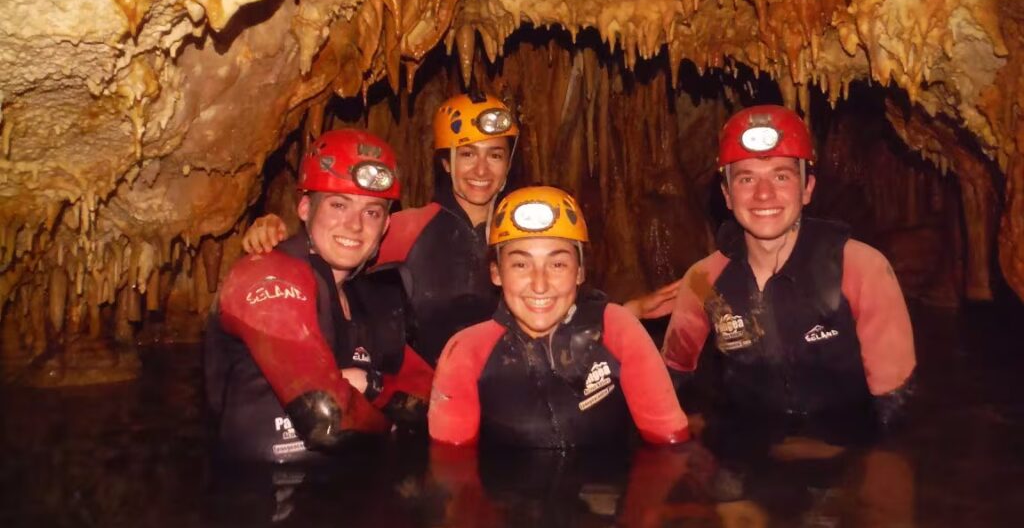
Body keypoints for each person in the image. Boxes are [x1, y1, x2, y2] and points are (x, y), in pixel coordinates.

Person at [659, 104, 916, 426]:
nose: (763, 194)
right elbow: (670, 380)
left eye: (781, 176)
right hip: (746, 448)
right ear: (726, 194)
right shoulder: (702, 280)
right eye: (746, 179)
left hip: (845, 448)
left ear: (807, 188)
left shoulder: (862, 269)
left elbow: (894, 403)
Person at [204, 129, 434, 463]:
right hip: (263, 500)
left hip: (345, 494)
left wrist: (372, 384)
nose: (355, 225)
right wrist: (390, 428)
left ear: (385, 226)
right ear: (304, 208)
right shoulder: (267, 274)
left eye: (371, 212)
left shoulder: (371, 298)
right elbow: (326, 420)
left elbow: (434, 396)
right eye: (339, 205)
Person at [242, 90, 518, 366]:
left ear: (508, 164)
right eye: (468, 154)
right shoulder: (409, 227)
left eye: (495, 155)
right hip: (426, 394)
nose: (481, 170)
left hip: (506, 389)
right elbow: (332, 249)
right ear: (446, 162)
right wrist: (273, 233)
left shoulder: (525, 231)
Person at [428, 186, 691, 448]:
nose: (540, 285)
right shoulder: (466, 352)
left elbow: (670, 445)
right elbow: (452, 472)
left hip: (611, 487)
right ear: (496, 273)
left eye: (557, 265)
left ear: (579, 272)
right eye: (521, 264)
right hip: (507, 489)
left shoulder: (618, 329)